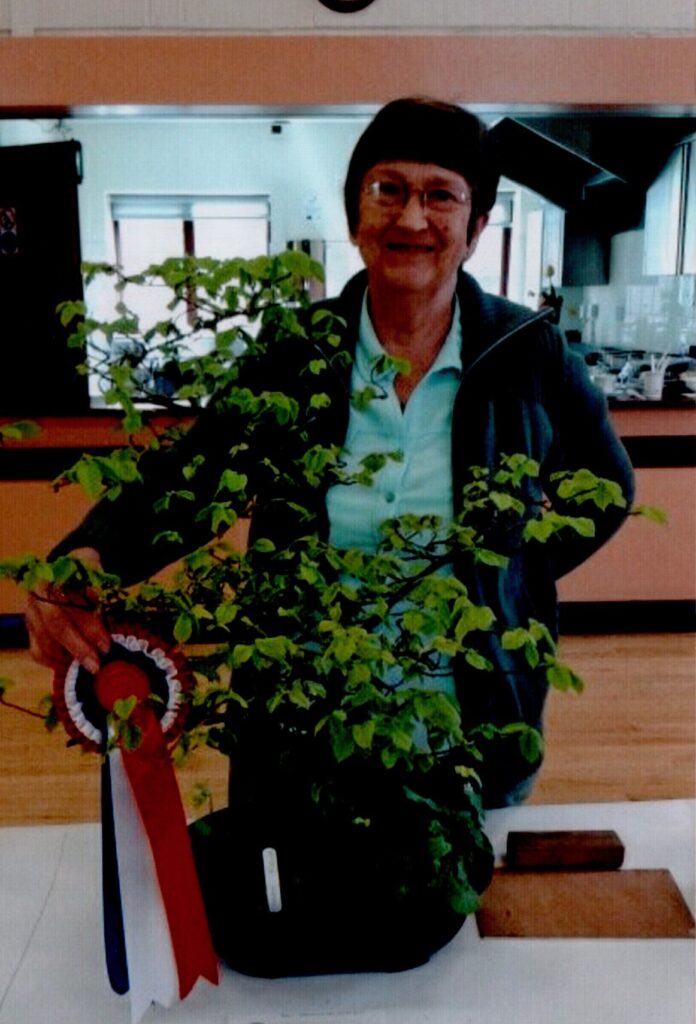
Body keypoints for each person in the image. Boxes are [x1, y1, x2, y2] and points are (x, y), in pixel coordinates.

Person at [27, 97, 634, 811]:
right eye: (389, 189)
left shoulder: (528, 351)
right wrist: (90, 556)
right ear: (355, 218)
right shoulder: (297, 352)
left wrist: (510, 575)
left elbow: (606, 488)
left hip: (470, 732)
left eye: (441, 195)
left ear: (474, 228)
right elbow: (192, 480)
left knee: (460, 912)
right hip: (302, 729)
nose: (412, 218)